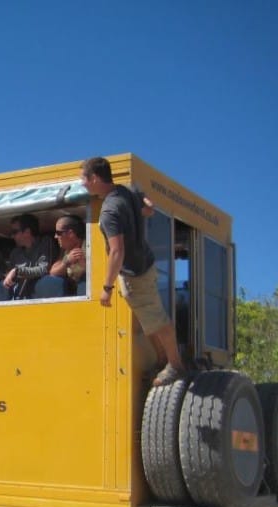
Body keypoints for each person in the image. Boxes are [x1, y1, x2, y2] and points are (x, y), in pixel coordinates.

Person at [80, 156, 185, 386]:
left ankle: (175, 365)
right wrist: (139, 199)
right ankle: (161, 358)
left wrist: (106, 288)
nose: (83, 185)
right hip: (143, 265)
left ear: (95, 178)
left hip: (135, 273)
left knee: (157, 318)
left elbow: (117, 251)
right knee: (147, 316)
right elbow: (149, 210)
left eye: (84, 180)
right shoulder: (125, 192)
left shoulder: (109, 211)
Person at [3, 213, 51, 299]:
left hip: (40, 299)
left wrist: (17, 271)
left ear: (27, 232)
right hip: (19, 301)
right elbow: (6, 278)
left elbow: (43, 269)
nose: (12, 236)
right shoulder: (15, 253)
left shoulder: (44, 243)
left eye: (15, 232)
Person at [49, 214, 87, 293]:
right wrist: (66, 262)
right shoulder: (65, 250)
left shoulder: (89, 246)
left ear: (71, 233)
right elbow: (53, 272)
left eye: (58, 233)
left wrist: (85, 265)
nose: (55, 236)